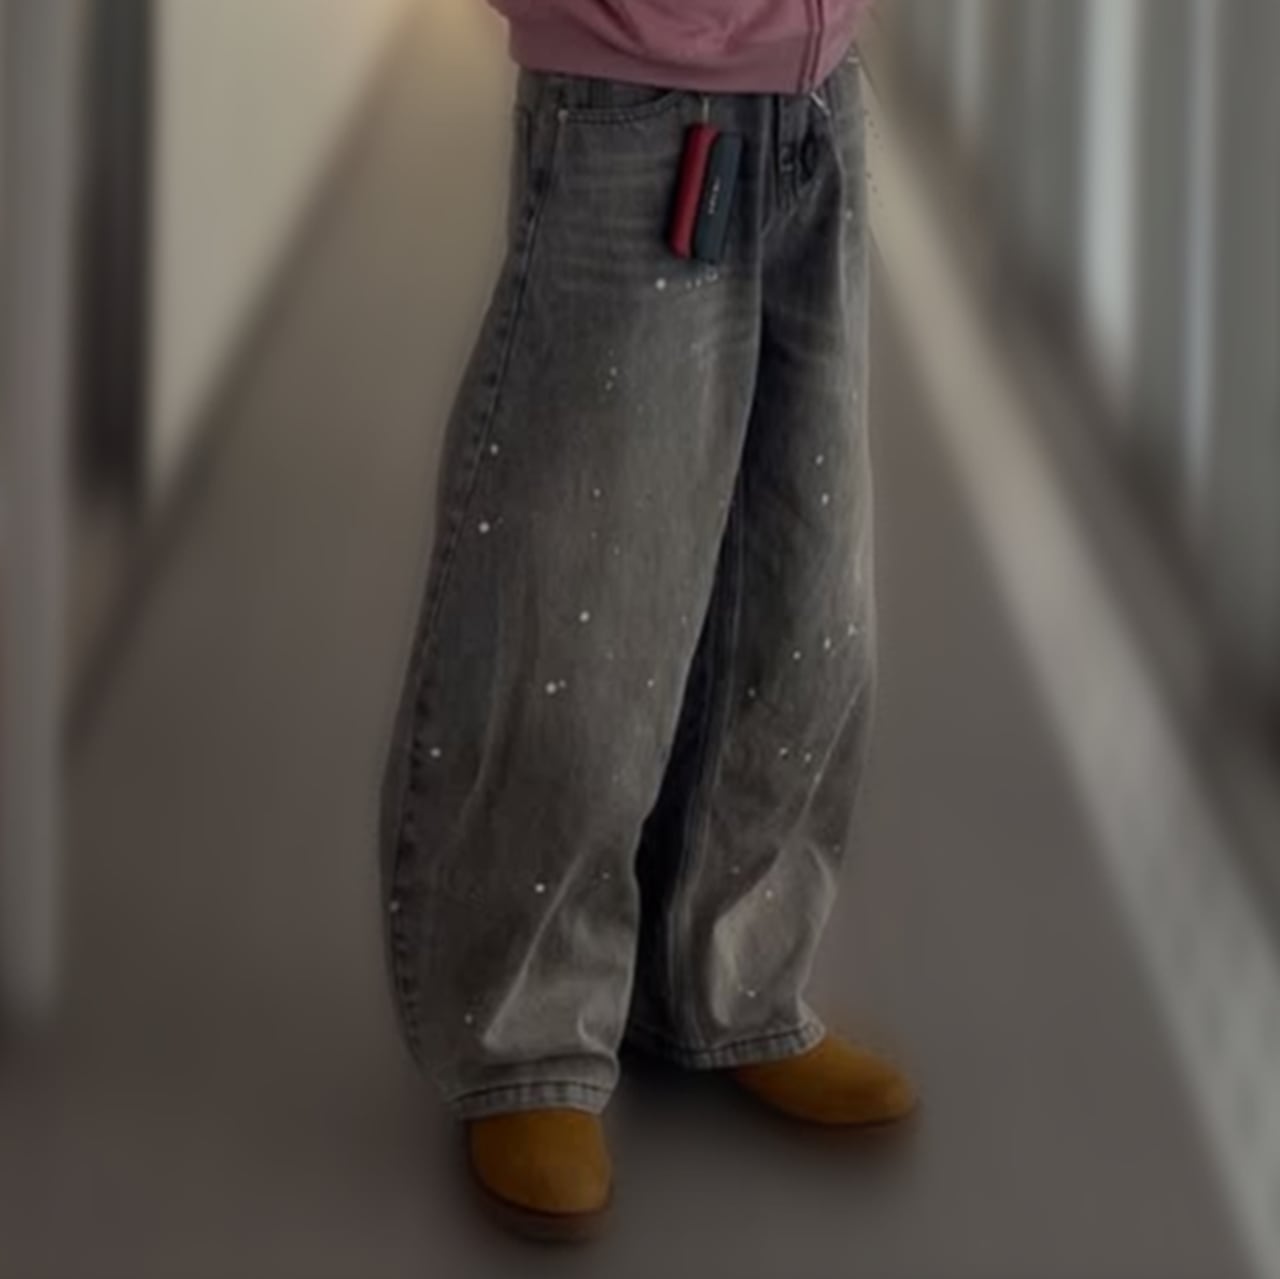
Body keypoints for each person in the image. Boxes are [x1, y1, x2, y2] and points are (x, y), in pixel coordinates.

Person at [380, 0, 915, 1241]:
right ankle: (525, 1038)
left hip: (818, 93)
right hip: (631, 102)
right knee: (581, 598)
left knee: (798, 597)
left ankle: (727, 980)